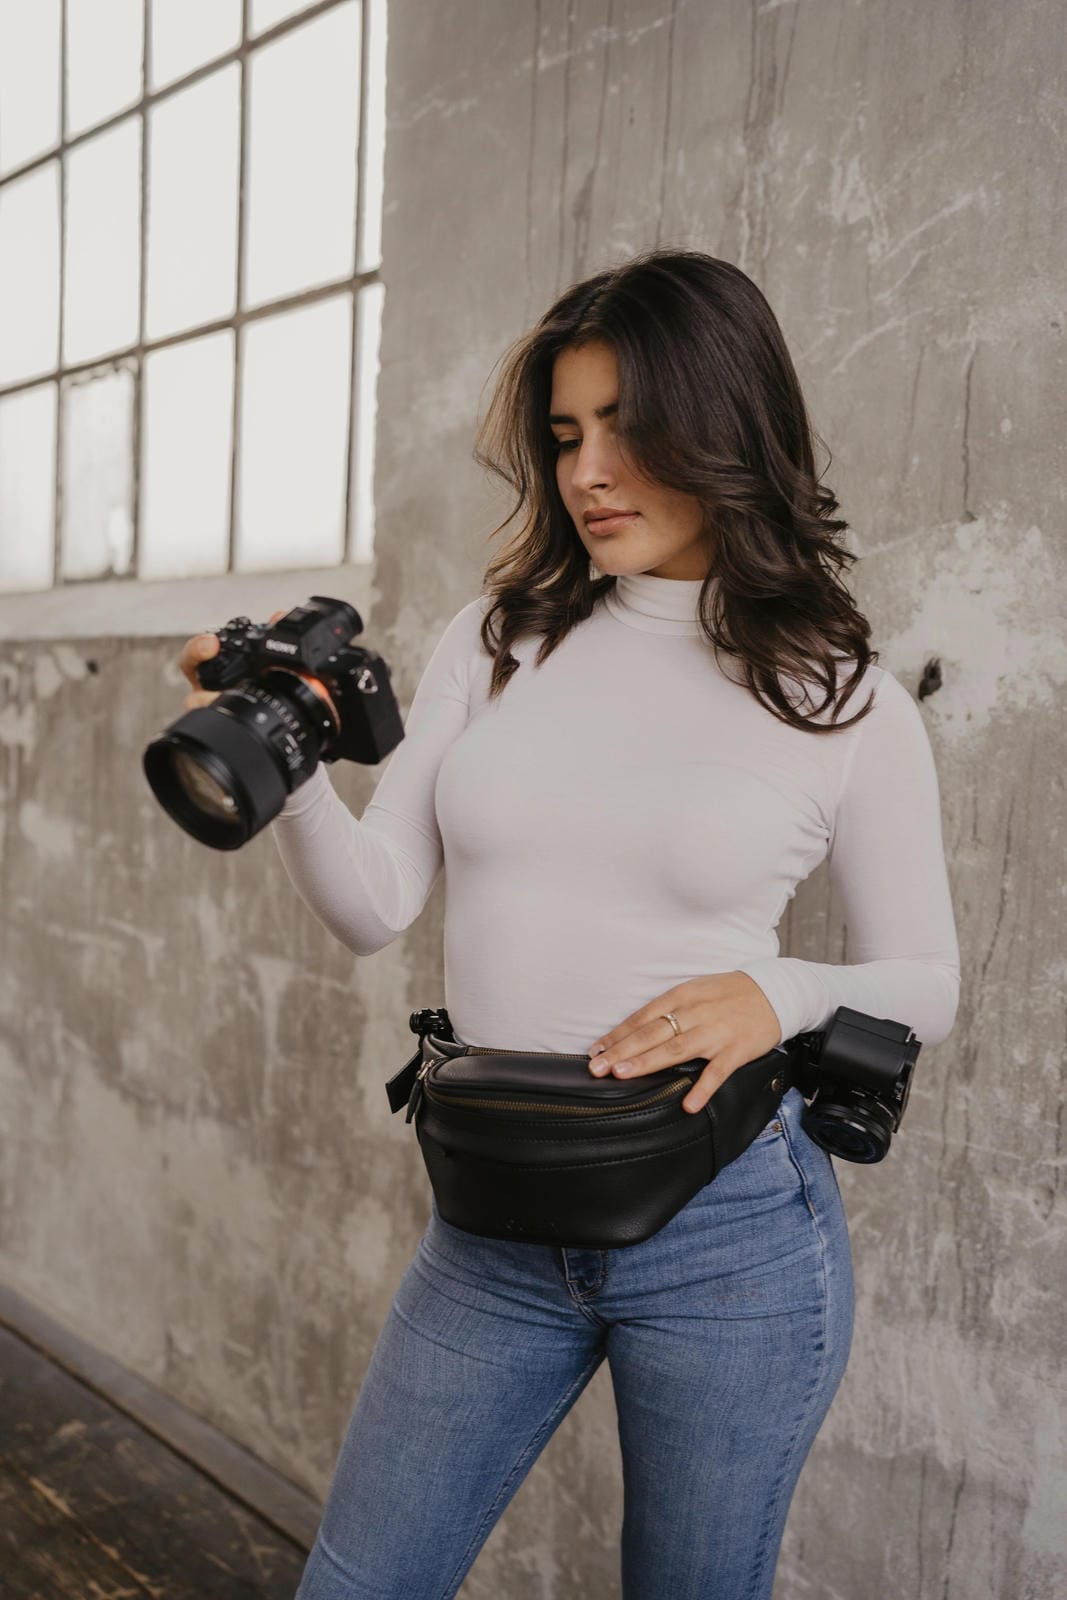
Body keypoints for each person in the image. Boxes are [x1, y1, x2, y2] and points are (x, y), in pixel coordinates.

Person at [178, 248, 961, 1599]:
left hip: (728, 1235)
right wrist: (284, 759)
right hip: (493, 1215)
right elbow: (375, 908)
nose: (588, 470)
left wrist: (781, 992)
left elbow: (928, 980)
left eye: (627, 427)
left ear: (724, 427)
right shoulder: (499, 639)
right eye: (565, 433)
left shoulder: (845, 702)